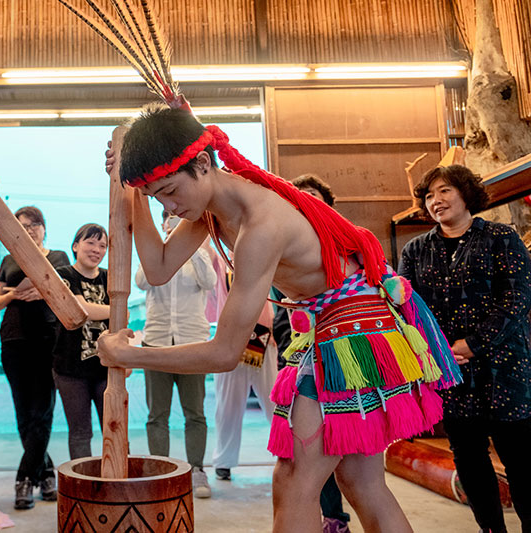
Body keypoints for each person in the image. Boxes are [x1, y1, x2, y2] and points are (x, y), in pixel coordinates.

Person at [98, 105, 461, 533]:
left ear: (201, 164)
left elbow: (224, 352)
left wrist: (131, 354)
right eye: (158, 195)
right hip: (345, 326)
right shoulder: (213, 209)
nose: (170, 206)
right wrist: (130, 190)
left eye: (171, 191)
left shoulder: (260, 224)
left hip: (351, 330)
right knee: (361, 482)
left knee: (295, 483)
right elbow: (158, 268)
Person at [399, 165, 531, 533]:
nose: (436, 201)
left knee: (521, 461)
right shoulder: (415, 249)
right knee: (470, 462)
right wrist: (437, 349)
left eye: (444, 191)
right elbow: (406, 307)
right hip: (450, 372)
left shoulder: (501, 238)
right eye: (429, 196)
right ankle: (491, 529)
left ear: (466, 194)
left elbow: (518, 298)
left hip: (505, 368)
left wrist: (473, 345)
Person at [279, 174, 351, 533]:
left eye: (313, 197)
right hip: (311, 359)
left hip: (343, 360)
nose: (306, 202)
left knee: (296, 481)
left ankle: (334, 518)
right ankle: (332, 518)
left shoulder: (350, 243)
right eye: (299, 197)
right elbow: (283, 318)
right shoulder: (286, 246)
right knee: (362, 484)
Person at [0, 205, 69, 510]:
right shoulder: (8, 260)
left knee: (43, 410)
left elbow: (64, 292)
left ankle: (24, 477)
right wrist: (14, 294)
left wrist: (42, 290)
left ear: (44, 228)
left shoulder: (59, 257)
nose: (30, 230)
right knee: (24, 413)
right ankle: (47, 474)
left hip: (49, 340)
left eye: (35, 225)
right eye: (23, 225)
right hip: (13, 340)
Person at [136, 213, 216, 498]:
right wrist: (164, 245)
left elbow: (209, 281)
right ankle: (161, 471)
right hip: (156, 342)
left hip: (192, 343)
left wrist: (190, 248)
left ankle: (196, 470)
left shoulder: (202, 253)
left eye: (179, 222)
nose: (174, 225)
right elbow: (142, 281)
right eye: (169, 221)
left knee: (195, 413)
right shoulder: (153, 252)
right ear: (162, 225)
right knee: (157, 414)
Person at [209, 250, 277, 485]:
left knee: (274, 401)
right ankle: (223, 462)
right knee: (227, 404)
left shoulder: (263, 254)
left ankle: (286, 451)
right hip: (229, 337)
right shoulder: (219, 259)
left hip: (262, 336)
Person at [52, 223, 110, 461]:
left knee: (114, 429)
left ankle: (117, 483)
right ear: (76, 245)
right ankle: (83, 489)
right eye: (90, 242)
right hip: (70, 369)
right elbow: (80, 310)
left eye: (103, 245)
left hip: (106, 368)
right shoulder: (64, 274)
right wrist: (116, 309)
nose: (96, 249)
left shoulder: (110, 277)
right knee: (80, 432)